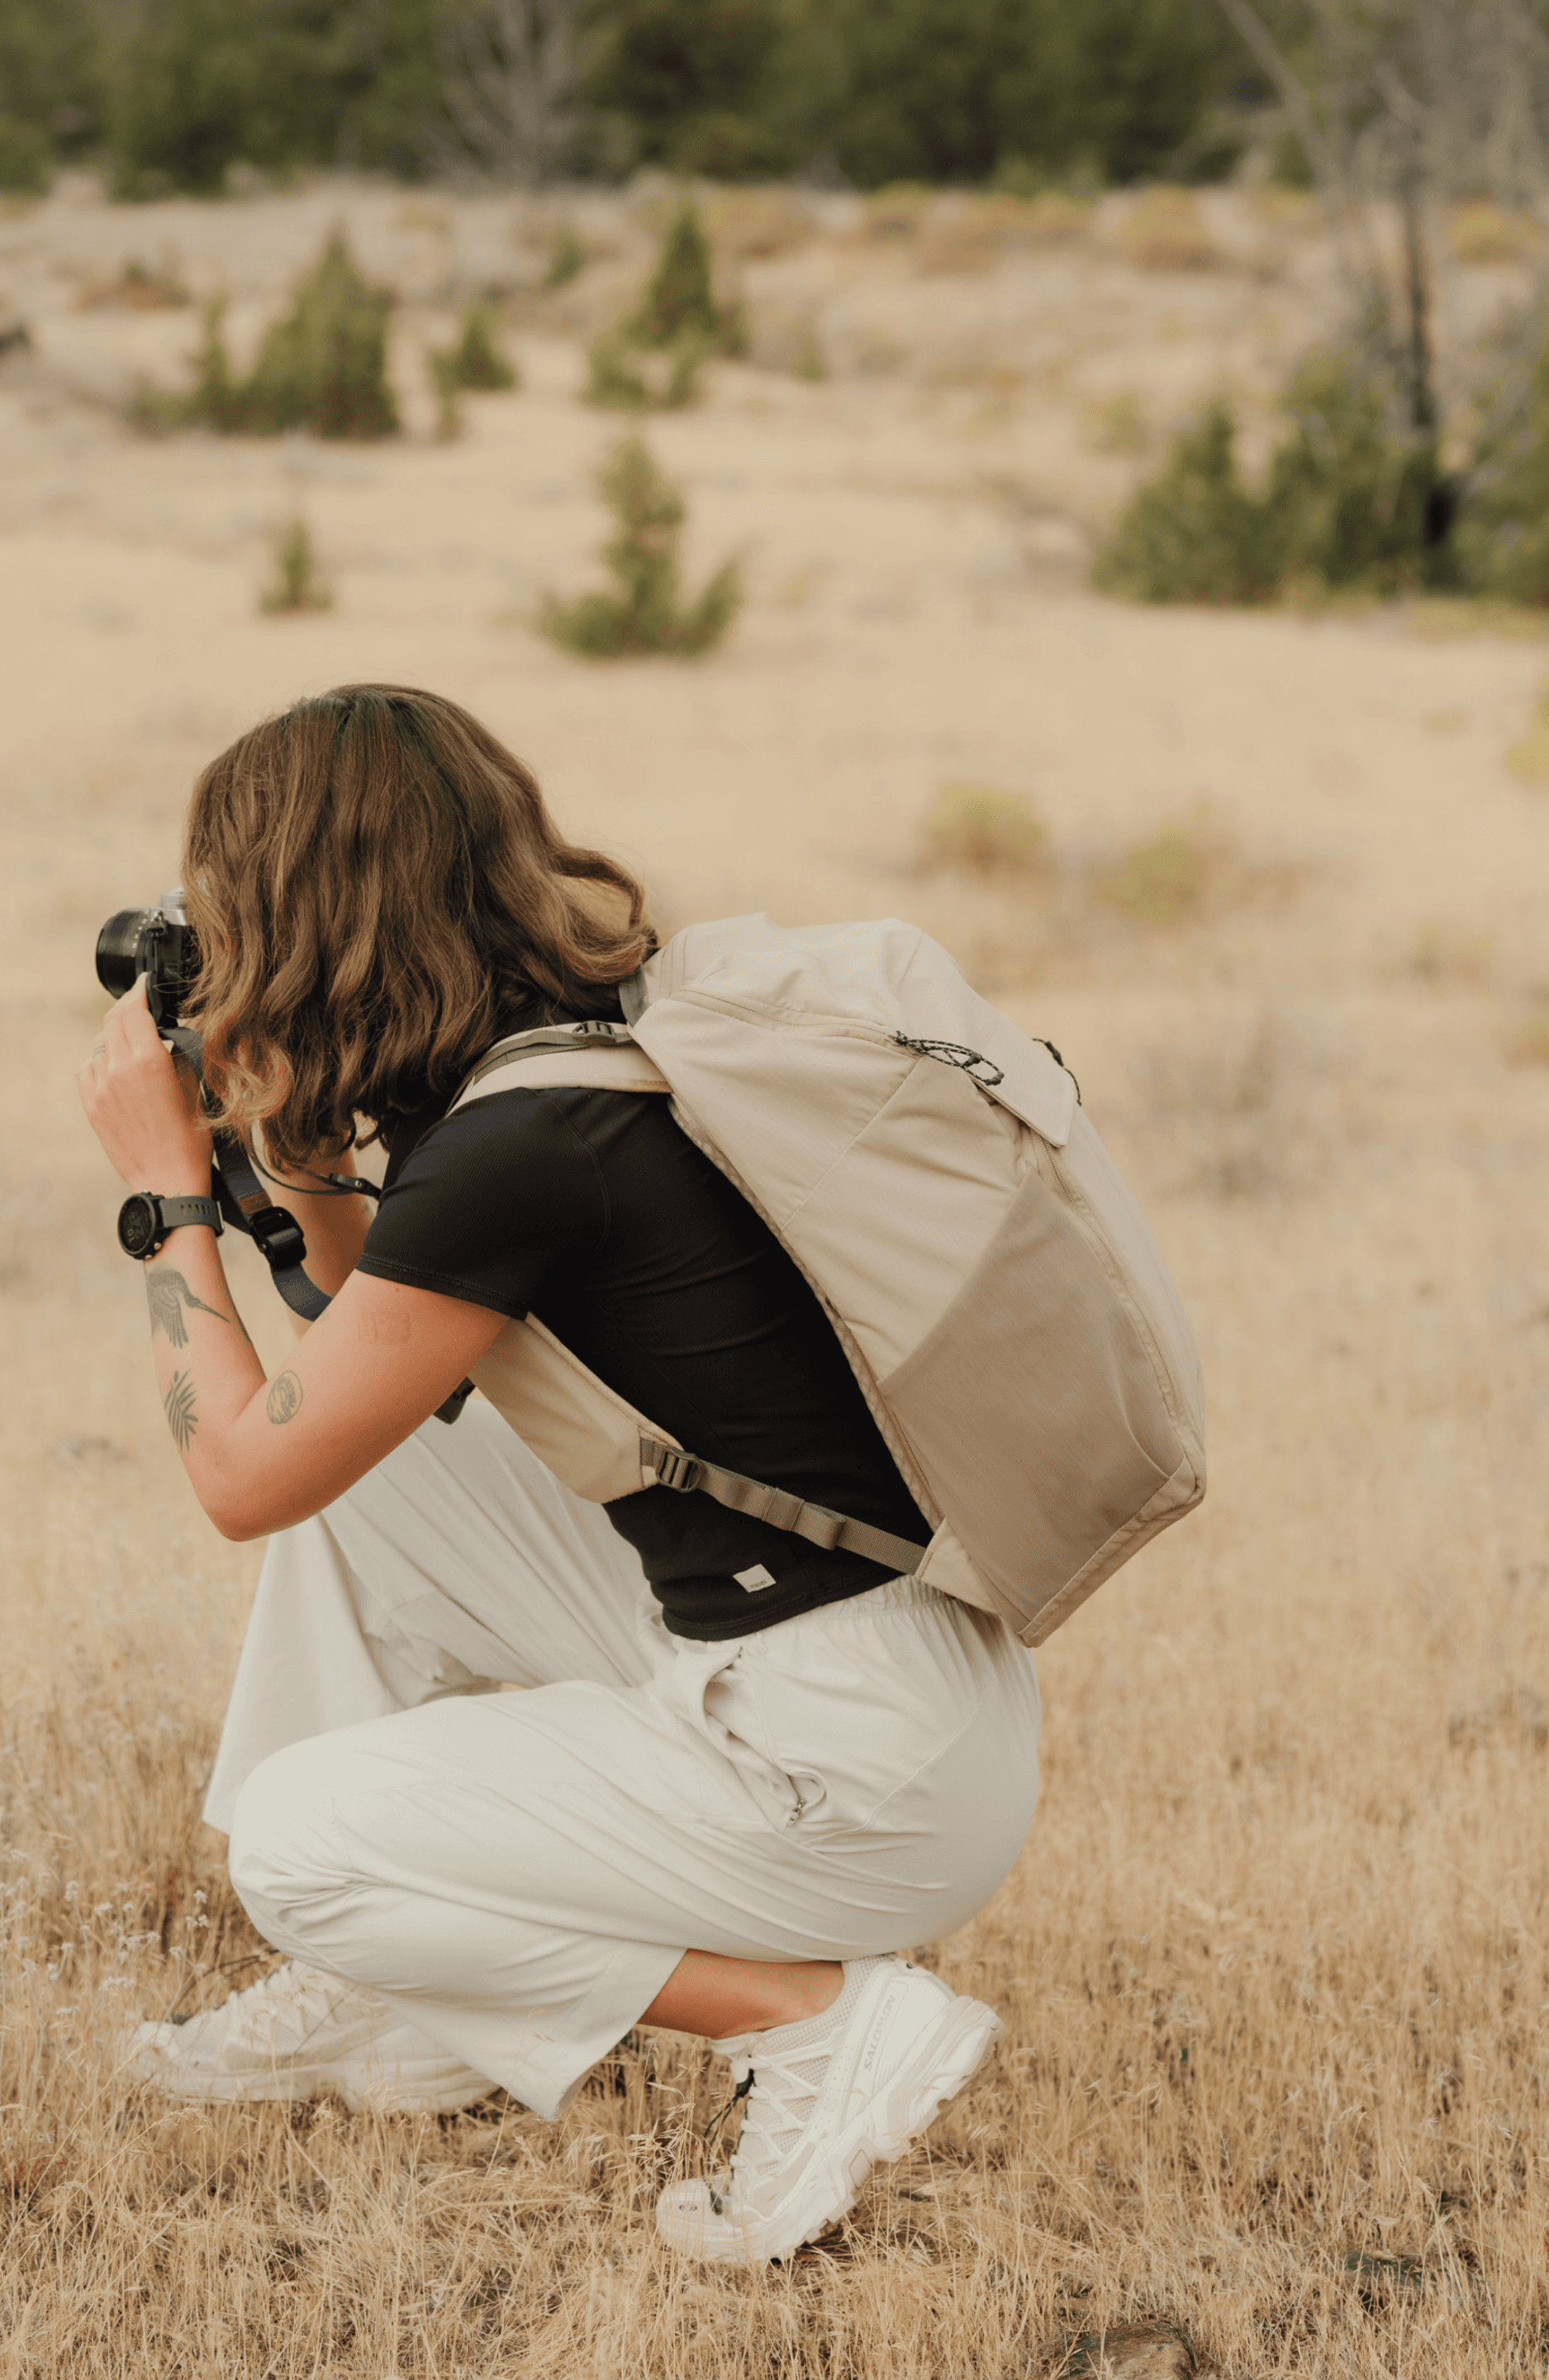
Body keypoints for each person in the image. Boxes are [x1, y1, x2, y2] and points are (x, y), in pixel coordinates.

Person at [75, 684, 1041, 2263]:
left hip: (848, 1775)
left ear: (307, 918)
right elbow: (365, 1358)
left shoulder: (515, 1154)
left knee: (301, 1849)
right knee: (373, 1478)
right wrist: (280, 1137)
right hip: (902, 1684)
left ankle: (812, 2020)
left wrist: (168, 1201)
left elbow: (240, 1476)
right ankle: (396, 1979)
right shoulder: (575, 1061)